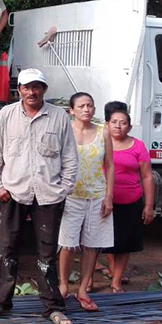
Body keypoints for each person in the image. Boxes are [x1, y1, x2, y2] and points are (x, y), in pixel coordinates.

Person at [0, 68, 78, 324]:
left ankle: (53, 307)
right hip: (12, 192)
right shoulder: (6, 115)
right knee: (7, 249)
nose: (31, 92)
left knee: (47, 253)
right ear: (19, 90)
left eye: (37, 87)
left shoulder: (58, 118)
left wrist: (63, 188)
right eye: (26, 87)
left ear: (44, 90)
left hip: (48, 195)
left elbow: (70, 158)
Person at [57, 92, 114, 311]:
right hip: (70, 195)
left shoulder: (103, 132)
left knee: (92, 245)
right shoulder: (65, 131)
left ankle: (82, 289)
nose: (86, 110)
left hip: (97, 195)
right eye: (81, 106)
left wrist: (108, 196)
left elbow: (109, 165)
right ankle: (63, 285)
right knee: (68, 244)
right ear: (71, 110)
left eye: (90, 105)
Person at [101, 101, 155, 293]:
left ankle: (115, 282)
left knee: (124, 243)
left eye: (123, 122)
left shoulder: (138, 146)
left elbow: (147, 176)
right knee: (103, 242)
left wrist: (148, 205)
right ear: (106, 124)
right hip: (104, 203)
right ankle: (108, 272)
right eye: (114, 122)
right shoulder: (99, 144)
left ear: (129, 126)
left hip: (130, 202)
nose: (118, 126)